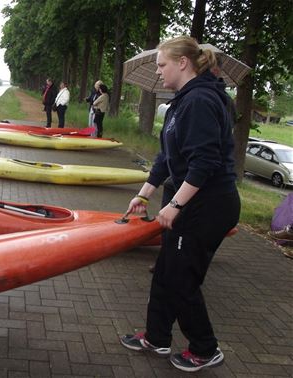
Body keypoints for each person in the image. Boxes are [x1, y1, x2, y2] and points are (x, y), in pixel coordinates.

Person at [119, 36, 240, 373]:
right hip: (192, 200)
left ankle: (205, 349)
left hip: (208, 205)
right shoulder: (182, 102)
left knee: (182, 279)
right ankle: (157, 337)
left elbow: (205, 162)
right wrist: (143, 194)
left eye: (162, 65)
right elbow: (166, 159)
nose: (158, 72)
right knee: (166, 273)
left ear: (182, 63)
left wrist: (174, 204)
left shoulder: (200, 100)